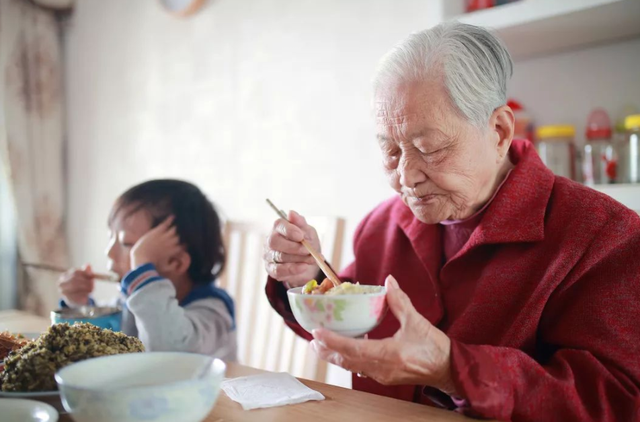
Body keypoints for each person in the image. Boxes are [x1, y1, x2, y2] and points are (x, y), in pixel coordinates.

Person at [262, 22, 640, 421]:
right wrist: (304, 279)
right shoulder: (381, 226)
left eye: (430, 148)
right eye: (390, 151)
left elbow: (618, 401)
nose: (405, 177)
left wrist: (452, 370)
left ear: (498, 132)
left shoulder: (604, 236)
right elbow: (351, 318)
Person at [59, 179, 236, 360]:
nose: (109, 252)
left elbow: (167, 352)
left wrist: (142, 269)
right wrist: (79, 304)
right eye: (111, 239)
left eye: (127, 244)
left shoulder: (213, 312)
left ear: (175, 262)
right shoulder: (134, 299)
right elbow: (98, 342)